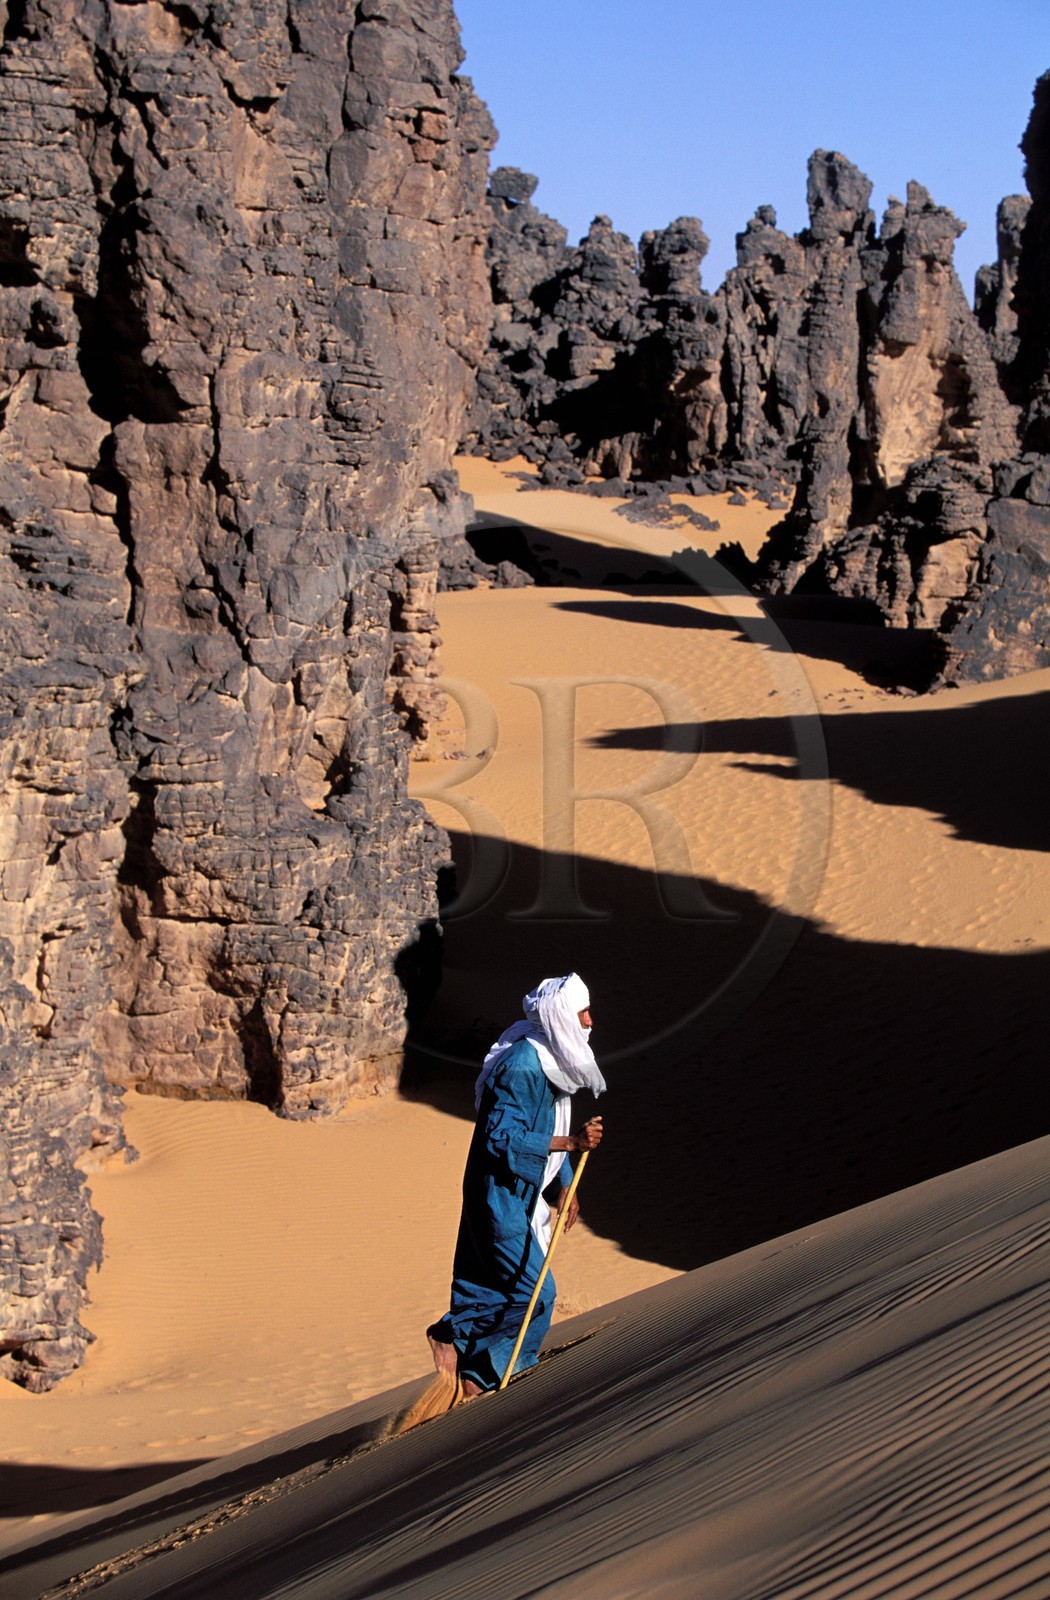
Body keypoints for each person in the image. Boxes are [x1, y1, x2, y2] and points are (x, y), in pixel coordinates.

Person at [427, 973, 605, 1397]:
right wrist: (572, 1144)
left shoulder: (551, 1059)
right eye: (583, 1012)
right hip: (499, 1196)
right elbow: (499, 1137)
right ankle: (483, 1378)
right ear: (562, 1016)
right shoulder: (523, 1066)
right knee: (538, 1295)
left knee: (493, 1286)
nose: (590, 1021)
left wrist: (563, 1181)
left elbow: (548, 1120)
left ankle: (458, 1350)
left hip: (518, 1191)